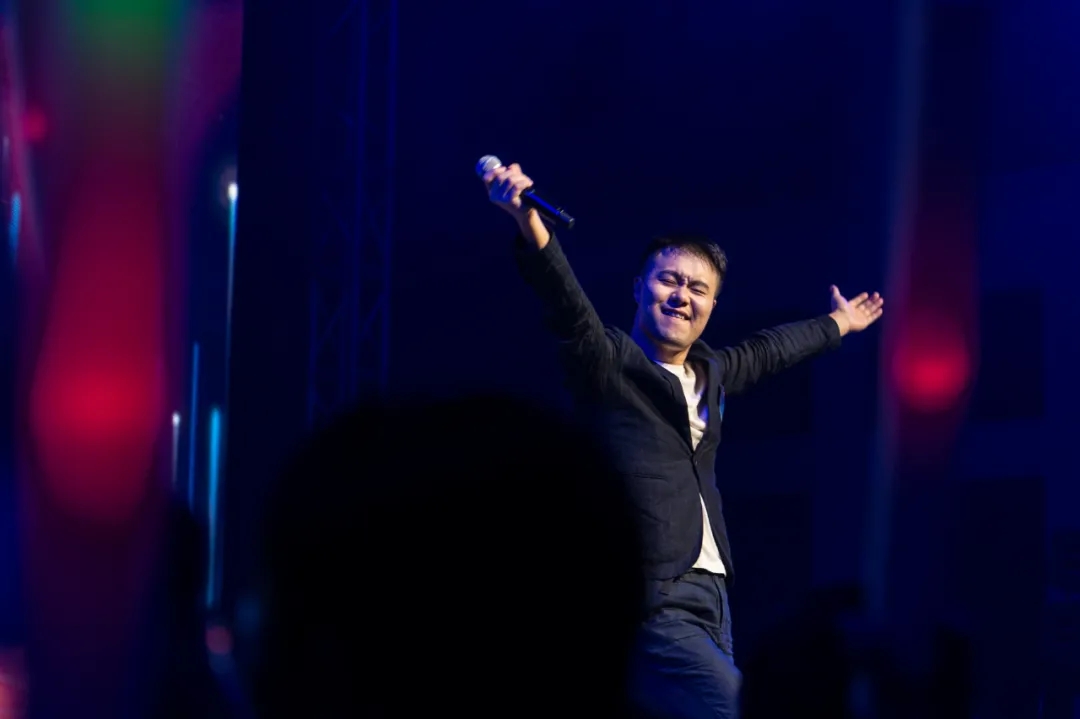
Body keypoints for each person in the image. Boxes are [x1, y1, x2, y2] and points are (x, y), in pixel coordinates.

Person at [482, 162, 884, 719]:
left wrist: (839, 324)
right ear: (639, 287)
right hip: (654, 592)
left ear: (712, 306)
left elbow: (772, 350)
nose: (681, 296)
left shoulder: (711, 372)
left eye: (698, 288)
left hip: (713, 600)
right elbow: (566, 304)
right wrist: (529, 221)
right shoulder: (609, 363)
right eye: (668, 280)